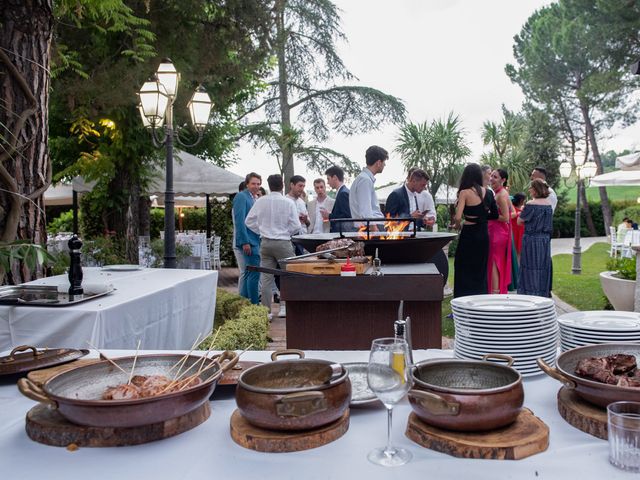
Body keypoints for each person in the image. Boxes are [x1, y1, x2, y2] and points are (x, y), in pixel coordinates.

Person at [245, 174, 301, 317]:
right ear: (282, 185)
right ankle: (285, 308)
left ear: (268, 186)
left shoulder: (260, 201)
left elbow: (248, 221)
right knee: (289, 276)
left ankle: (266, 312)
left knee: (266, 278)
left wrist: (261, 230)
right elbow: (296, 226)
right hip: (283, 242)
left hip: (265, 242)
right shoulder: (288, 202)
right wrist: (285, 232)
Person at [452, 163, 498, 298]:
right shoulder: (488, 192)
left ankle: (462, 299)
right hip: (483, 234)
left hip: (469, 234)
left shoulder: (464, 193)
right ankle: (480, 300)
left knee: (463, 266)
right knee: (480, 268)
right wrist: (482, 218)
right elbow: (495, 215)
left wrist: (456, 224)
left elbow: (458, 217)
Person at [517, 179, 553, 297]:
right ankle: (542, 293)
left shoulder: (531, 204)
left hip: (531, 240)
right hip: (544, 240)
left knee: (529, 266)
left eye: (531, 187)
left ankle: (529, 293)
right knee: (542, 266)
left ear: (536, 189)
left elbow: (519, 221)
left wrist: (522, 211)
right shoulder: (548, 205)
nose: (529, 189)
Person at [233, 173, 262, 304]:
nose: (256, 186)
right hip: (249, 242)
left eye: (258, 184)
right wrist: (245, 242)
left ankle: (244, 304)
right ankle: (254, 305)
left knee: (249, 274)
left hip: (255, 240)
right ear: (247, 184)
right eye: (253, 183)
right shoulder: (241, 196)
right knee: (253, 274)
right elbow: (240, 221)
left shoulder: (253, 198)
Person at [487, 169, 512, 294]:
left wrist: (489, 215)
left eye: (495, 177)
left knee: (494, 262)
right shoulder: (502, 193)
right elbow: (513, 212)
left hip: (497, 233)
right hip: (498, 231)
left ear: (503, 180)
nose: (491, 179)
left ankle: (495, 293)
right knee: (495, 261)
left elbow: (506, 217)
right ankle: (496, 291)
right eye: (491, 176)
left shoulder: (501, 195)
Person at [349, 145, 387, 222]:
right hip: (371, 227)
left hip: (369, 227)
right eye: (384, 162)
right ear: (379, 163)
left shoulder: (364, 178)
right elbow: (365, 211)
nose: (385, 165)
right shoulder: (365, 180)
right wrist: (374, 229)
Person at [287, 175, 309, 254]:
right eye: (300, 186)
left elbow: (308, 223)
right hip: (289, 240)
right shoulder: (285, 201)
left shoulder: (302, 202)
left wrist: (306, 220)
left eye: (303, 186)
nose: (302, 188)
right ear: (292, 185)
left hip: (302, 239)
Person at [325, 165, 351, 232]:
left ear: (335, 177)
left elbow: (346, 216)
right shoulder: (343, 191)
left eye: (328, 179)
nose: (327, 182)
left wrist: (329, 215)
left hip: (342, 232)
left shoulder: (343, 193)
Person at [231, 181, 246, 294]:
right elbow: (241, 224)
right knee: (245, 272)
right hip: (241, 242)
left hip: (242, 242)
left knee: (246, 272)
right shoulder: (240, 201)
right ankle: (241, 298)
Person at [511, 193, 526, 259]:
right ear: (520, 200)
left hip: (522, 231)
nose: (524, 201)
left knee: (521, 251)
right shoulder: (512, 208)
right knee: (515, 251)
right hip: (515, 231)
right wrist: (518, 213)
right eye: (523, 200)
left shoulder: (523, 208)